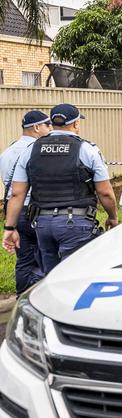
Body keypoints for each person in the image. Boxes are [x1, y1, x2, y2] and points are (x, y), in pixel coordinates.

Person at [2, 104, 119, 274]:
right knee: (77, 276)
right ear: (76, 124)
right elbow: (105, 192)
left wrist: (10, 228)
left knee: (51, 279)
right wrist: (113, 217)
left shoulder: (31, 150)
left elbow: (17, 193)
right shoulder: (87, 149)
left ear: (53, 123)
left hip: (42, 225)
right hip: (76, 224)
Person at [0, 111, 51, 294]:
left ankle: (21, 297)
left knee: (24, 260)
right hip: (36, 211)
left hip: (14, 212)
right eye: (48, 125)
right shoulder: (39, 151)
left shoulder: (6, 152)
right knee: (47, 257)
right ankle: (41, 298)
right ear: (37, 127)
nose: (51, 129)